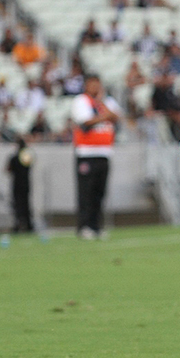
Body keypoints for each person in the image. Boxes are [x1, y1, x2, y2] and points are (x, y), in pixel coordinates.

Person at [71, 74, 121, 240]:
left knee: (100, 191)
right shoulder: (81, 101)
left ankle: (96, 226)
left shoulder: (106, 101)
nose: (95, 87)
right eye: (92, 84)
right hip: (86, 153)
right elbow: (85, 121)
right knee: (86, 191)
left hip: (104, 152)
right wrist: (105, 115)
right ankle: (84, 226)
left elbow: (117, 117)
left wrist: (103, 107)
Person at [7, 138, 34, 232]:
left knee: (18, 206)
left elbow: (8, 169)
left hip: (17, 184)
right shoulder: (27, 157)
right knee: (26, 205)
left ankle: (18, 225)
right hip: (26, 184)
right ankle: (29, 225)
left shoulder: (14, 157)